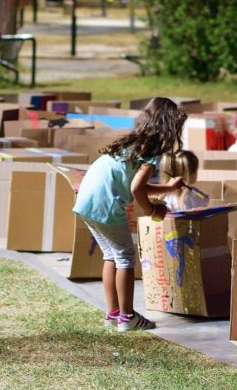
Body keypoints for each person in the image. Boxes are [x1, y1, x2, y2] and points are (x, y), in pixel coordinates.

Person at [72, 97, 187, 331]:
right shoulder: (153, 150)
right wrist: (152, 210)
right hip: (106, 203)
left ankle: (113, 314)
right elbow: (136, 189)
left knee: (111, 256)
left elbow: (135, 184)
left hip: (87, 198)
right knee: (125, 257)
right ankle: (128, 317)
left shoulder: (132, 142)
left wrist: (168, 188)